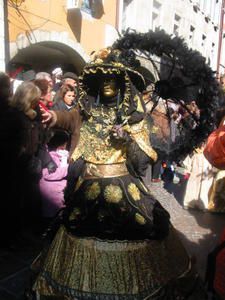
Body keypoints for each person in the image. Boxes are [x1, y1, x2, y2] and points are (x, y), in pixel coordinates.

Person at [31, 48, 199, 299]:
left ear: (122, 86)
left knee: (138, 228)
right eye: (104, 80)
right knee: (79, 228)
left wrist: (127, 139)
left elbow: (142, 159)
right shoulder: (85, 112)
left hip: (123, 186)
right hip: (87, 184)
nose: (108, 84)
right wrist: (51, 115)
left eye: (114, 80)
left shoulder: (132, 117)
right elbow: (66, 118)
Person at [39, 130, 69, 220]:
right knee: (53, 222)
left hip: (56, 194)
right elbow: (49, 174)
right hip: (52, 197)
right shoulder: (49, 156)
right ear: (62, 145)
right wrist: (66, 167)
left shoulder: (56, 154)